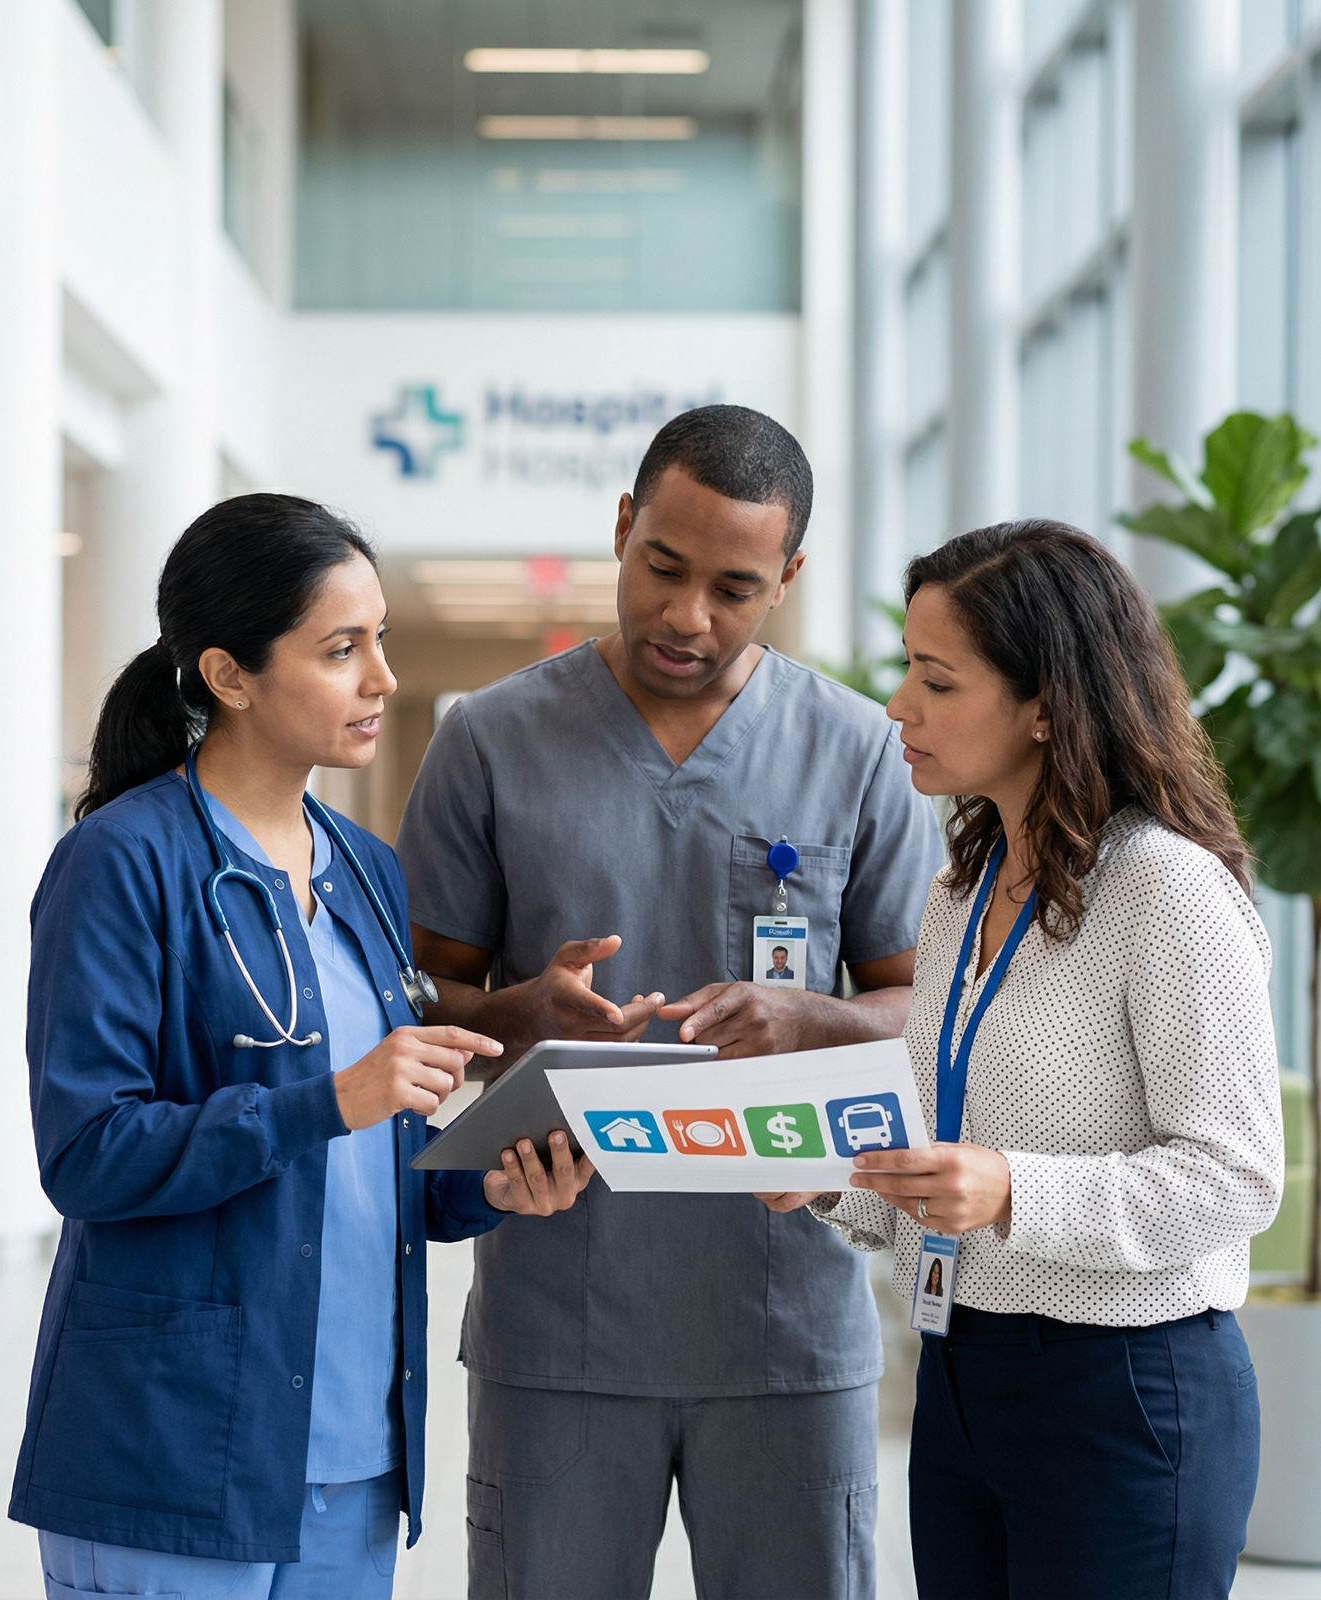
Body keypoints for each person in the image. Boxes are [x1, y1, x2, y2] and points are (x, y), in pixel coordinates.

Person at [396, 405, 943, 1600]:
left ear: (789, 577)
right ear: (622, 526)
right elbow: (413, 1002)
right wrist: (519, 1011)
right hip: (560, 1312)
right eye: (663, 567)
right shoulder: (486, 742)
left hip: (786, 1320)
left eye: (735, 587)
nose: (688, 616)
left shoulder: (858, 753)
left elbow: (924, 1008)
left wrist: (817, 1020)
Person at [9, 494, 592, 1600]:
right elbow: (85, 1150)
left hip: (352, 1457)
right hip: (172, 1448)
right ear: (229, 673)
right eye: (341, 648)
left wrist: (497, 1180)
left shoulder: (365, 871)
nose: (380, 675)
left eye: (379, 639)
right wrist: (324, 1099)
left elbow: (378, 1175)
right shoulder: (122, 863)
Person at [759, 519, 1283, 1600]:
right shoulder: (962, 890)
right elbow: (949, 1131)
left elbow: (1238, 1178)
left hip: (1124, 1390)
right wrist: (839, 1185)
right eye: (908, 669)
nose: (898, 705)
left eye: (936, 680)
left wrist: (1010, 1189)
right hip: (959, 1370)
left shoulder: (1166, 892)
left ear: (1047, 703)